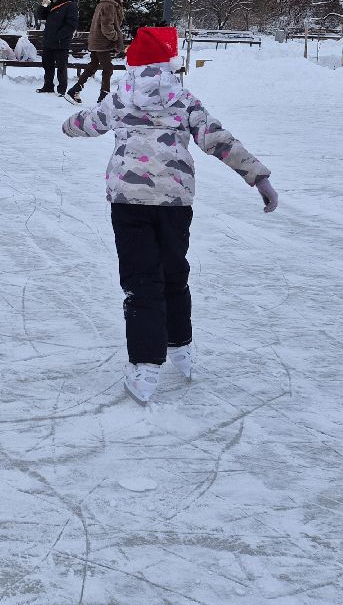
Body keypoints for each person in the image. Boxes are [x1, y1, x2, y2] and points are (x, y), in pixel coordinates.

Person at [61, 26, 278, 404]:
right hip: (175, 201)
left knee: (141, 279)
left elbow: (88, 122)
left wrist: (68, 125)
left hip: (128, 200)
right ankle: (181, 346)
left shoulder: (120, 97)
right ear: (169, 62)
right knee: (174, 272)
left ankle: (145, 365)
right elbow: (218, 139)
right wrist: (257, 176)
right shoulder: (184, 98)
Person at [69, 0, 125, 103]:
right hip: (101, 42)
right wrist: (115, 37)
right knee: (108, 68)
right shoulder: (109, 5)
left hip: (96, 40)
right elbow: (106, 26)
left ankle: (75, 89)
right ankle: (104, 97)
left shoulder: (105, 4)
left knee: (93, 66)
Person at [35, 0, 76, 95]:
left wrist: (59, 36)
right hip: (49, 41)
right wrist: (44, 5)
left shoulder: (70, 5)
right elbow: (40, 15)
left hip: (61, 42)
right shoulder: (51, 4)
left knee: (61, 67)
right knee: (47, 64)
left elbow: (71, 25)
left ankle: (62, 89)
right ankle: (48, 86)